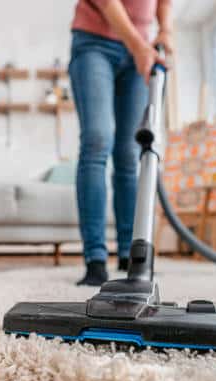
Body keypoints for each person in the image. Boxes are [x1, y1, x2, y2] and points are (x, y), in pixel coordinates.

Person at [69, 0, 173, 285]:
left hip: (142, 46)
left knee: (130, 153)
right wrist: (139, 46)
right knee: (96, 141)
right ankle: (95, 260)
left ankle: (130, 255)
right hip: (94, 43)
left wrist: (165, 30)